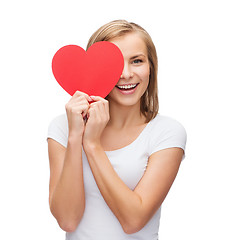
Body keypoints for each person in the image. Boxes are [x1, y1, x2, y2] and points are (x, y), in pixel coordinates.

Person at [47, 19, 187, 240]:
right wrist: (76, 137)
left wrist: (92, 145)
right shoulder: (62, 128)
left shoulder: (166, 132)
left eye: (137, 61)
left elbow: (133, 221)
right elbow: (67, 220)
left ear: (151, 66)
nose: (126, 73)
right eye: (114, 63)